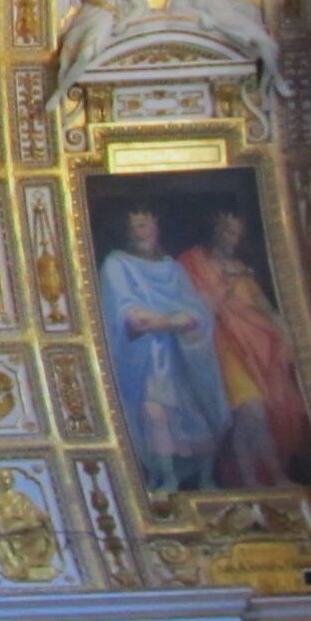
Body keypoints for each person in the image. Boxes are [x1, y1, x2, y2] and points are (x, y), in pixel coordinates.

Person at [179, 209, 311, 488]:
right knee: (251, 411)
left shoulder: (242, 269)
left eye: (236, 233)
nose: (230, 237)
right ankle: (266, 478)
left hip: (254, 349)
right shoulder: (193, 263)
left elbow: (264, 308)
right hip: (220, 349)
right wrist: (218, 296)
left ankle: (259, 480)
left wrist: (286, 331)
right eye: (226, 229)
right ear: (215, 227)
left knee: (253, 418)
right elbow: (190, 307)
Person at [99, 206, 230, 492]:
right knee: (154, 413)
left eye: (144, 224)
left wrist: (180, 321)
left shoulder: (173, 268)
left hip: (181, 358)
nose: (139, 232)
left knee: (195, 416)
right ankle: (166, 478)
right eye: (133, 226)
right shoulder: (117, 264)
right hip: (146, 360)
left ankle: (204, 479)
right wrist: (172, 320)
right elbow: (130, 316)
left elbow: (196, 313)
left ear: (156, 226)